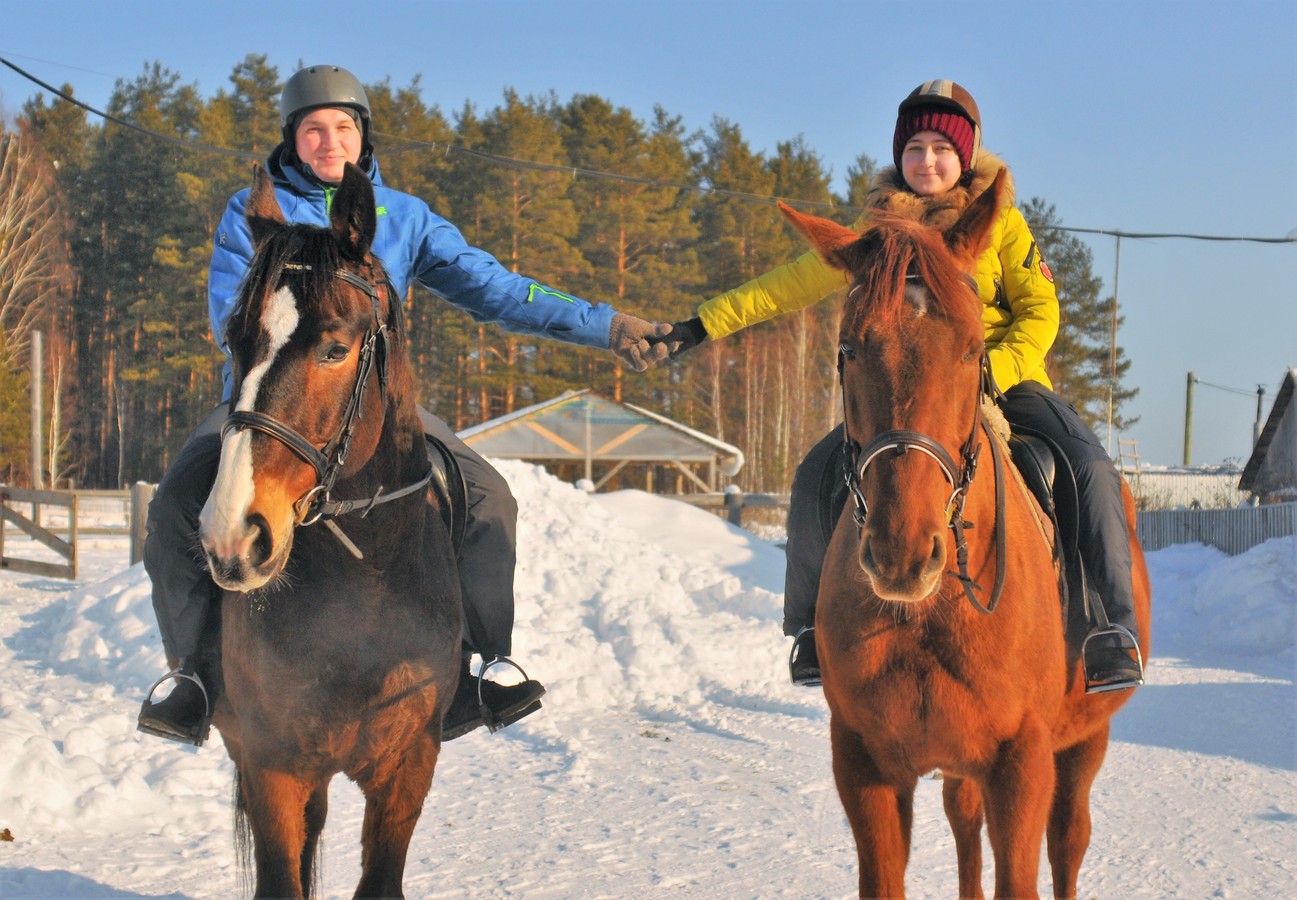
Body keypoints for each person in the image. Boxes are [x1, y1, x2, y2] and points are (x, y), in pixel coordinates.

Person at [137, 64, 671, 746]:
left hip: (378, 409)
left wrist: (607, 326)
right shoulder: (257, 215)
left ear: (363, 136)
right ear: (291, 139)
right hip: (268, 402)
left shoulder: (405, 218)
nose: (329, 142)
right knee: (174, 508)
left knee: (489, 499)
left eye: (343, 128)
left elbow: (498, 289)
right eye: (313, 130)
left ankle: (481, 666)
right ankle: (191, 676)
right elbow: (230, 316)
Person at [663, 79, 1143, 693]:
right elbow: (788, 284)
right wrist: (701, 324)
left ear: (965, 157)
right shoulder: (876, 234)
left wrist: (994, 368)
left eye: (942, 149)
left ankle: (1109, 626)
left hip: (1003, 380)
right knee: (814, 475)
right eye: (914, 148)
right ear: (899, 156)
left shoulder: (1000, 223)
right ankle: (809, 629)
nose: (927, 161)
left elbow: (1041, 309)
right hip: (904, 396)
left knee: (1088, 467)